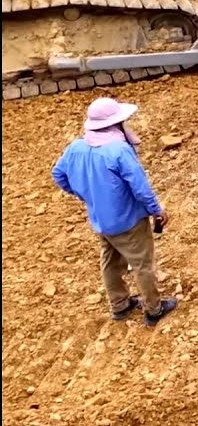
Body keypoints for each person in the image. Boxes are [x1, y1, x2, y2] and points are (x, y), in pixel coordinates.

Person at [53, 98, 179, 327]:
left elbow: (59, 175)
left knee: (110, 261)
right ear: (115, 124)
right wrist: (156, 210)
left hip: (100, 219)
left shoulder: (76, 147)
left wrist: (85, 194)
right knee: (142, 264)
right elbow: (140, 187)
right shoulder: (118, 150)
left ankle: (119, 304)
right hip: (128, 221)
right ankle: (154, 308)